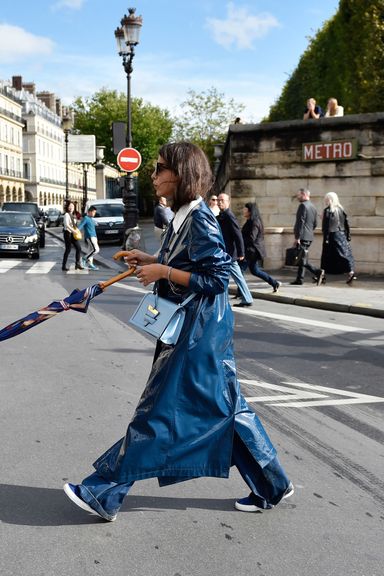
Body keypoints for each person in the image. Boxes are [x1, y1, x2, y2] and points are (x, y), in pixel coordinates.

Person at [63, 142, 293, 522]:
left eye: (159, 168)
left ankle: (103, 491)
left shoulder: (199, 218)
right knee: (227, 409)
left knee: (157, 411)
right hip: (199, 331)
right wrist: (152, 260)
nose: (153, 176)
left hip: (197, 335)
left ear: (181, 174)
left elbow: (219, 278)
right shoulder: (184, 213)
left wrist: (164, 273)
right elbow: (186, 260)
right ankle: (272, 483)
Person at [217, 193, 253, 307]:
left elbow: (238, 234)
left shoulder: (229, 215)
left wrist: (241, 252)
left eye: (222, 200)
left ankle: (247, 298)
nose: (219, 202)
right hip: (225, 253)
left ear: (228, 202)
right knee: (224, 276)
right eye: (218, 200)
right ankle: (224, 301)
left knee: (238, 277)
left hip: (230, 254)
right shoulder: (222, 215)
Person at [241, 202, 281, 293]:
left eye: (245, 209)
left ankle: (242, 293)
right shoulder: (250, 221)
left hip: (252, 251)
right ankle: (274, 283)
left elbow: (252, 238)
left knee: (240, 270)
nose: (243, 211)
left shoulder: (254, 222)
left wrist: (240, 240)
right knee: (255, 271)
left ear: (250, 211)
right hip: (251, 251)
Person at [320, 192, 356, 284]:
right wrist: (347, 235)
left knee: (326, 256)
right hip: (341, 234)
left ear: (330, 200)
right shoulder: (341, 209)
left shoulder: (328, 211)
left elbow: (326, 226)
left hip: (332, 235)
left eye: (327, 199)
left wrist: (323, 219)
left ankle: (322, 275)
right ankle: (350, 272)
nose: (325, 201)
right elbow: (346, 224)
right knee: (345, 254)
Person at [290, 188, 324, 285]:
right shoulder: (313, 207)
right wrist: (309, 232)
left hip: (303, 237)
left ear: (304, 195)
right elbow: (315, 223)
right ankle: (300, 279)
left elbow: (301, 222)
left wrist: (298, 237)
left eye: (299, 195)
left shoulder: (303, 206)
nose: (297, 197)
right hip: (309, 236)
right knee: (302, 258)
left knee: (302, 259)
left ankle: (317, 271)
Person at [61, 201, 83, 271]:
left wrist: (77, 231)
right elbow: (66, 225)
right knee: (68, 249)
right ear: (67, 207)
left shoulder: (73, 215)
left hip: (73, 234)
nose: (71, 207)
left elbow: (75, 225)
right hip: (68, 234)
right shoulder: (66, 215)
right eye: (70, 206)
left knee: (79, 248)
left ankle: (77, 264)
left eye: (72, 206)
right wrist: (74, 231)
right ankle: (63, 266)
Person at [78, 205, 100, 271]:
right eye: (93, 212)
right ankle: (84, 258)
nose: (94, 213)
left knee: (91, 251)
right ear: (89, 212)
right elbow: (80, 226)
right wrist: (76, 232)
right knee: (96, 250)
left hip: (94, 237)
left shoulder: (91, 219)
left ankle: (90, 264)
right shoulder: (86, 218)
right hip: (90, 236)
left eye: (95, 212)